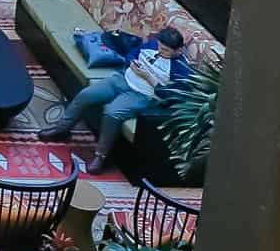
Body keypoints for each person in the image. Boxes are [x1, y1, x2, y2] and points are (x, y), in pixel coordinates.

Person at [39, 26, 193, 173]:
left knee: (112, 112)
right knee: (86, 94)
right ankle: (62, 128)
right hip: (123, 79)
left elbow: (172, 95)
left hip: (144, 95)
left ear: (178, 50)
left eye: (165, 50)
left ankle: (101, 156)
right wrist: (132, 64)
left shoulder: (180, 68)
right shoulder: (154, 44)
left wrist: (149, 78)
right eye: (160, 46)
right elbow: (132, 54)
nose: (160, 50)